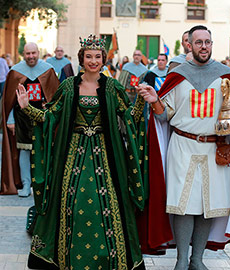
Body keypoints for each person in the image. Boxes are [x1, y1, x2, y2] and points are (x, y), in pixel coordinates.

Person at [16, 34, 148, 270]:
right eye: (89, 56)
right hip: (73, 156)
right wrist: (27, 109)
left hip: (105, 156)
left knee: (104, 206)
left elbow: (129, 118)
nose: (93, 61)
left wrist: (140, 102)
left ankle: (108, 260)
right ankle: (69, 259)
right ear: (81, 58)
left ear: (103, 59)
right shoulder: (68, 86)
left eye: (98, 57)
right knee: (73, 205)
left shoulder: (111, 87)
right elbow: (50, 117)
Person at [137, 25, 230, 270]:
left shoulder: (226, 75)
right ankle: (181, 261)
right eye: (199, 42)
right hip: (183, 146)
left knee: (208, 207)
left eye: (208, 42)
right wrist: (155, 101)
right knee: (183, 207)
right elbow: (165, 115)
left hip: (216, 149)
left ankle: (197, 260)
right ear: (189, 45)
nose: (204, 46)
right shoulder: (177, 75)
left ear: (212, 44)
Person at [0, 42, 59, 196]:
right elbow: (9, 100)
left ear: (38, 53)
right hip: (22, 119)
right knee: (24, 151)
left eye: (33, 53)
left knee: (44, 150)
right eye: (28, 54)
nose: (31, 56)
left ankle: (42, 184)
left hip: (43, 117)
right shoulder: (15, 72)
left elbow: (56, 96)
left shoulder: (47, 70)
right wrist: (10, 119)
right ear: (23, 54)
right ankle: (26, 185)